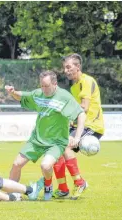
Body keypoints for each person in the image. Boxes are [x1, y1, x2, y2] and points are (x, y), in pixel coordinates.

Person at [32, 54, 105, 200]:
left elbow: (83, 108)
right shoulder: (73, 88)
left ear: (77, 67)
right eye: (64, 67)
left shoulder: (87, 81)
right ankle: (63, 188)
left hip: (92, 126)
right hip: (79, 125)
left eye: (68, 67)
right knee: (57, 149)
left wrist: (60, 108)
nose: (65, 70)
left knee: (65, 147)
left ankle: (80, 182)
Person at [5, 70, 86, 201]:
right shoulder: (39, 94)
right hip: (36, 140)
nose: (44, 89)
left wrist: (77, 137)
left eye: (46, 86)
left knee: (45, 166)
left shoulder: (64, 97)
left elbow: (81, 114)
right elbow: (23, 96)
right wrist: (13, 92)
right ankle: (13, 193)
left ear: (55, 84)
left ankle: (48, 184)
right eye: (42, 85)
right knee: (16, 164)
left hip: (56, 143)